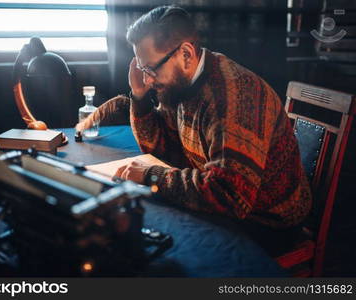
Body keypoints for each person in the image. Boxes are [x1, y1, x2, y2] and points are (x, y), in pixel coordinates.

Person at [76, 5, 312, 254]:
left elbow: (229, 196)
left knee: (160, 245)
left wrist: (152, 175)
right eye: (143, 69)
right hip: (231, 207)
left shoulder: (234, 96)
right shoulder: (179, 85)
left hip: (268, 222)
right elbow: (161, 148)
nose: (148, 79)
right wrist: (139, 96)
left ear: (186, 54)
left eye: (151, 69)